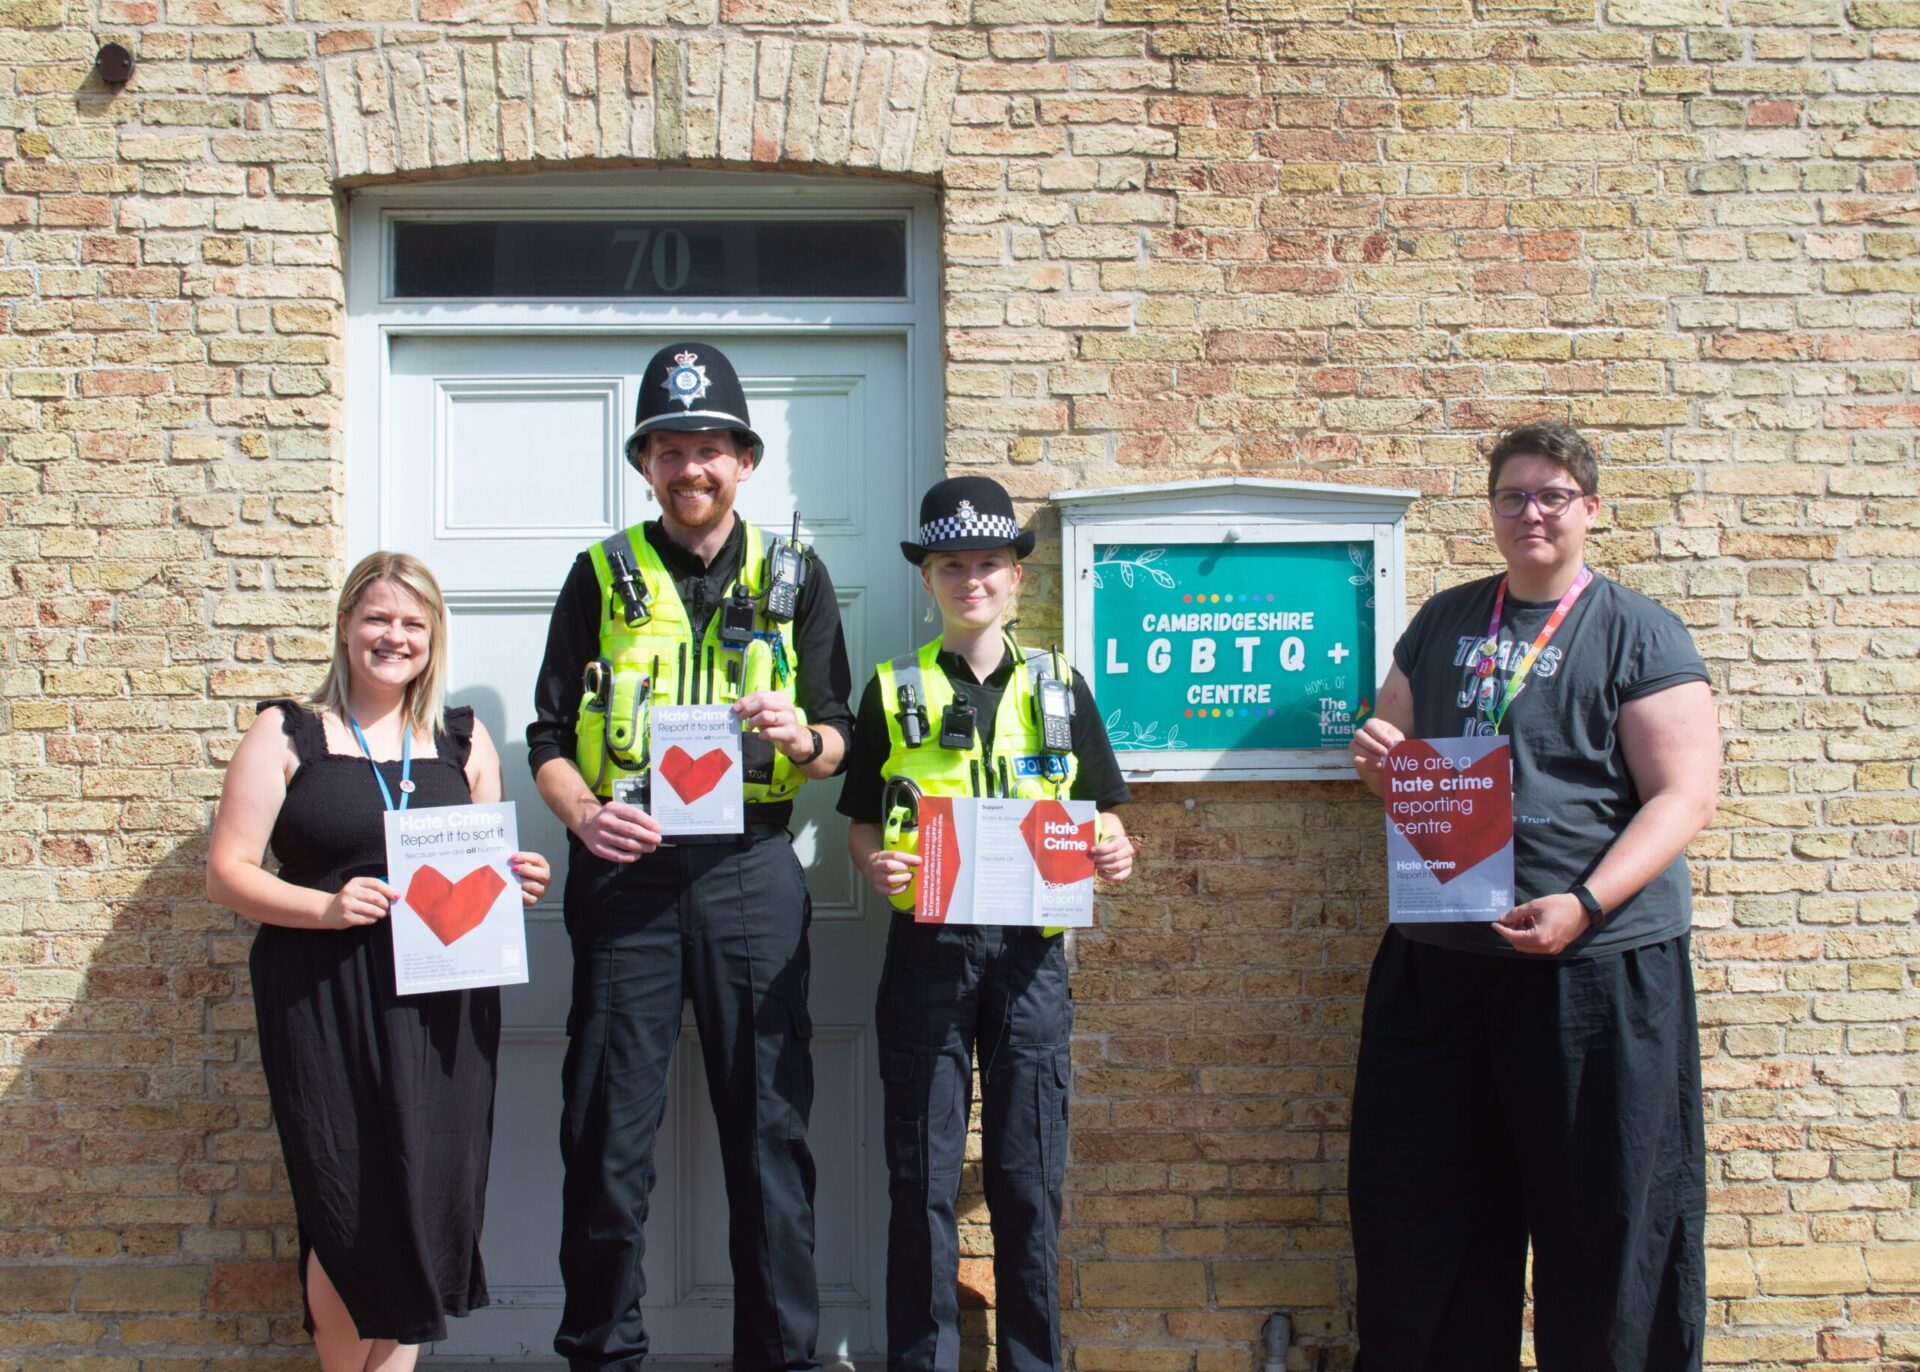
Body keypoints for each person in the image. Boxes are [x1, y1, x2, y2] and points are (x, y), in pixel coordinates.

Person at [1347, 421, 1720, 1371]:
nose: (1532, 513)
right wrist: (1380, 761)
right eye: (1513, 496)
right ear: (1492, 511)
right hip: (1443, 963)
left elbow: (1684, 796)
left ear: (1590, 509)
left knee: (1607, 1220)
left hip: (1596, 971)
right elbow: (1397, 753)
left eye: (1553, 495)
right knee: (1427, 1221)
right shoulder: (1444, 620)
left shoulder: (1638, 630)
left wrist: (1585, 904)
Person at [527, 341, 854, 1372]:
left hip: (750, 869)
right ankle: (603, 1356)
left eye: (709, 448)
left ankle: (780, 1359)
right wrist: (585, 816)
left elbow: (841, 735)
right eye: (668, 449)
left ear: (744, 460)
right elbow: (546, 737)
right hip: (625, 868)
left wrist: (801, 737)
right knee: (605, 1134)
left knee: (770, 1132)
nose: (690, 467)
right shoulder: (599, 573)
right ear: (645, 464)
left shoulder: (797, 576)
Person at [205, 551, 552, 1372]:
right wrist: (324, 908)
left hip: (444, 1002)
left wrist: (518, 880)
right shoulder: (288, 732)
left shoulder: (462, 739)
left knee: (424, 1201)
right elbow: (227, 873)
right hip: (326, 996)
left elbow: (483, 865)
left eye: (412, 623)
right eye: (377, 619)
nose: (394, 636)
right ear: (344, 627)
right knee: (350, 1206)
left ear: (433, 636)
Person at [840, 476, 1134, 1372]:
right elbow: (860, 826)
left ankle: (1033, 1362)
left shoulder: (1061, 685)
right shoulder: (891, 688)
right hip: (928, 951)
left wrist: (1116, 850)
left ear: (1016, 577)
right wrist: (876, 865)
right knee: (922, 1179)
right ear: (927, 578)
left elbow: (1102, 816)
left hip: (1031, 957)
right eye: (952, 565)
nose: (973, 579)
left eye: (989, 564)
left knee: (1028, 1178)